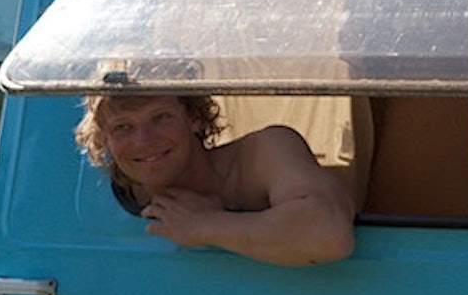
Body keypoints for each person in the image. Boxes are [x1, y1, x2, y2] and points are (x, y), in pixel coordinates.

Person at [75, 94, 355, 267]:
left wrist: (206, 225)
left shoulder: (264, 153)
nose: (144, 141)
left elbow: (330, 235)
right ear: (104, 141)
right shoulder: (98, 210)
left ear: (194, 118)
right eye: (123, 126)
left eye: (161, 118)